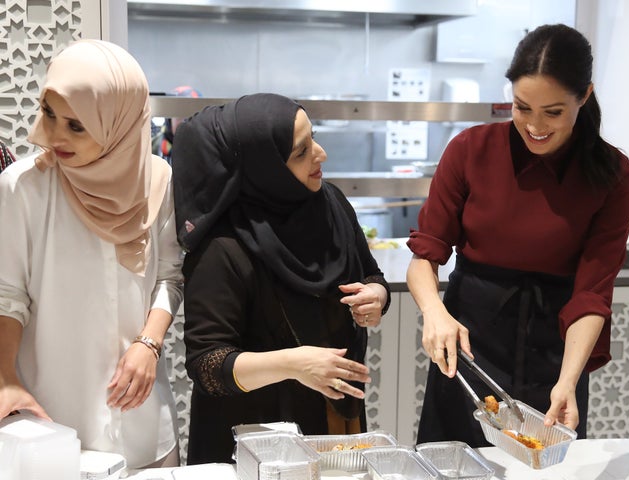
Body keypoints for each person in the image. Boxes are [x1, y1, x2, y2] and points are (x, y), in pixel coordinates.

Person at [406, 23, 629, 447]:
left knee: (545, 465)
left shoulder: (615, 177)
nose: (534, 126)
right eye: (521, 107)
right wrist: (434, 312)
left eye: (553, 112)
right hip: (470, 345)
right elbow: (426, 254)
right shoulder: (470, 150)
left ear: (584, 96)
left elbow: (592, 294)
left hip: (556, 349)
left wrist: (568, 381)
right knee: (454, 461)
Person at [172, 93, 391, 464]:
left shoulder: (330, 203)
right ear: (265, 167)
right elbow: (208, 365)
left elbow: (369, 271)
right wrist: (293, 364)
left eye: (314, 138)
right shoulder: (223, 247)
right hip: (251, 438)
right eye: (301, 152)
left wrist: (375, 295)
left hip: (331, 418)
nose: (320, 154)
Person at [0, 40, 183, 469]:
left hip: (141, 419)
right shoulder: (22, 186)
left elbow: (170, 276)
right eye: (49, 114)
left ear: (118, 122)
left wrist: (148, 344)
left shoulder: (157, 180)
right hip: (50, 420)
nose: (55, 136)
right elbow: (8, 295)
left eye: (77, 126)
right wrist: (5, 379)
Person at [151, 85, 201, 164]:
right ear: (169, 120)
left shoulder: (208, 148)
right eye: (180, 116)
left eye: (191, 116)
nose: (186, 122)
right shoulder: (153, 146)